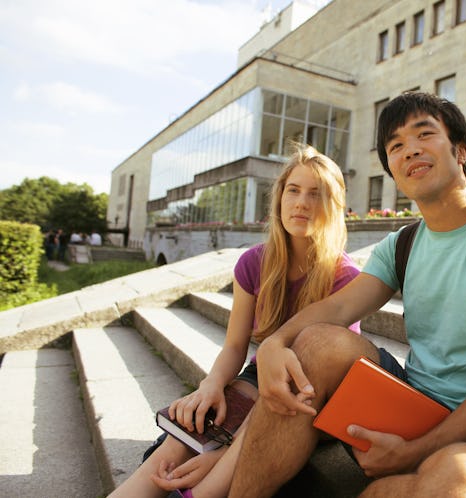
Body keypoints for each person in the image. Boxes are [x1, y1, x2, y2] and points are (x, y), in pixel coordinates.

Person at [226, 92, 466, 498]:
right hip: (410, 404)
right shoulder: (401, 245)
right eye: (396, 146)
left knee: (464, 487)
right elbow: (337, 307)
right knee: (317, 342)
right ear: (393, 171)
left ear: (460, 152)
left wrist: (412, 452)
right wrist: (274, 344)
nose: (411, 150)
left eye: (425, 134)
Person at [109, 143, 361, 498]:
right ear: (279, 198)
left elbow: (320, 381)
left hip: (308, 393)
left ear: (333, 207)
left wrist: (223, 451)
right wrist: (211, 384)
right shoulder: (254, 263)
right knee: (173, 447)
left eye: (316, 194)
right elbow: (234, 345)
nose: (301, 203)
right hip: (260, 377)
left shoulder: (344, 277)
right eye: (293, 190)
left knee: (212, 471)